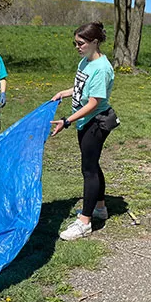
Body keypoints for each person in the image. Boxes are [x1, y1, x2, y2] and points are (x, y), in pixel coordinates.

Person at [51, 21, 119, 241]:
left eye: (81, 43)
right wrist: (65, 92)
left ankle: (85, 222)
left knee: (88, 169)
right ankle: (100, 208)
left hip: (95, 122)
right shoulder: (85, 62)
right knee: (92, 164)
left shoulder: (102, 69)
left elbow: (93, 102)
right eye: (75, 43)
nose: (77, 47)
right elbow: (81, 90)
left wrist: (67, 121)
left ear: (95, 42)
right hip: (84, 122)